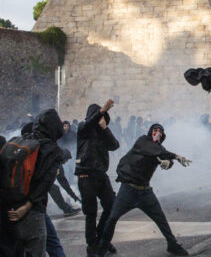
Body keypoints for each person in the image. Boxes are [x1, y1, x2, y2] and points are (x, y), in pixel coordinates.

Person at [96, 124, 191, 256]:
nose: (157, 133)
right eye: (155, 131)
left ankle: (172, 244)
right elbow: (154, 151)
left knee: (160, 218)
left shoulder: (159, 149)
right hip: (128, 189)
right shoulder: (143, 141)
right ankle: (102, 248)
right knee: (112, 218)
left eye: (160, 132)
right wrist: (175, 156)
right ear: (150, 132)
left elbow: (164, 156)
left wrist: (168, 163)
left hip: (145, 191)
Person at [0, 110, 65, 257]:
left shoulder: (22, 140)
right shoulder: (51, 149)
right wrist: (27, 206)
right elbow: (44, 183)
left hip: (8, 207)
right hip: (31, 210)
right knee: (36, 251)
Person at [76, 99, 120, 256]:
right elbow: (89, 124)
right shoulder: (83, 129)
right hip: (85, 174)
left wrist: (105, 128)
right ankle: (92, 245)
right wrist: (101, 111)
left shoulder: (102, 132)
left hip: (101, 175)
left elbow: (115, 145)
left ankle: (102, 238)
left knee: (112, 206)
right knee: (91, 212)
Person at [48, 148, 81, 216]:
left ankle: (67, 209)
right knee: (54, 189)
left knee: (54, 188)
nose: (66, 162)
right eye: (66, 159)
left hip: (43, 182)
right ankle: (67, 209)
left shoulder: (57, 165)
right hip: (38, 181)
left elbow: (64, 183)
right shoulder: (53, 162)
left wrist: (73, 196)